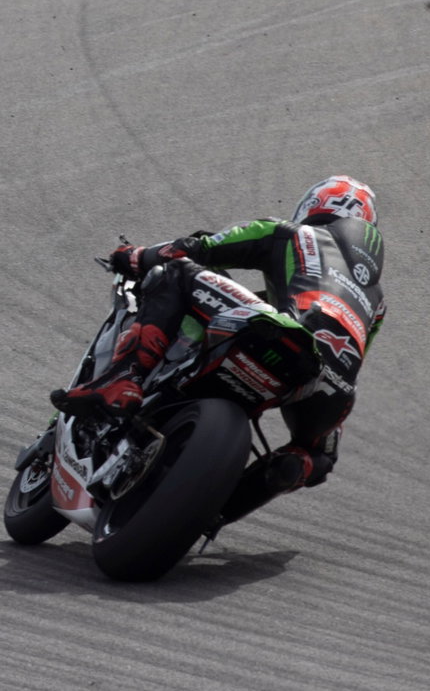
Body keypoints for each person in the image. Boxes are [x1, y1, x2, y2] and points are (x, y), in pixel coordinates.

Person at [50, 175, 384, 523]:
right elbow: (350, 350)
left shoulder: (294, 234)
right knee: (318, 458)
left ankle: (124, 379)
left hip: (282, 334)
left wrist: (136, 257)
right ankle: (220, 507)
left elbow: (203, 248)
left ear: (311, 207)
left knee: (176, 271)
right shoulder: (377, 300)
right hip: (332, 390)